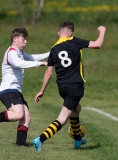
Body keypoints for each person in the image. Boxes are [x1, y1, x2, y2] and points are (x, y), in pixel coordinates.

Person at [32, 21, 106, 151]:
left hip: (62, 88)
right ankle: (40, 139)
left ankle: (77, 140)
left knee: (76, 109)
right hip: (75, 87)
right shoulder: (75, 41)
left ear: (59, 33)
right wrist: (102, 31)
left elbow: (49, 72)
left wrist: (41, 90)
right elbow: (98, 44)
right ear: (71, 33)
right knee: (63, 118)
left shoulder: (54, 49)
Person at [0, 27, 49, 146]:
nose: (26, 42)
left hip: (15, 91)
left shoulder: (19, 52)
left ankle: (20, 144)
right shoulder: (11, 52)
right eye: (24, 39)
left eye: (26, 39)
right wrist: (40, 64)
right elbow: (18, 63)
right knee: (18, 114)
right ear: (15, 38)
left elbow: (32, 57)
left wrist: (51, 53)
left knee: (26, 117)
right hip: (8, 90)